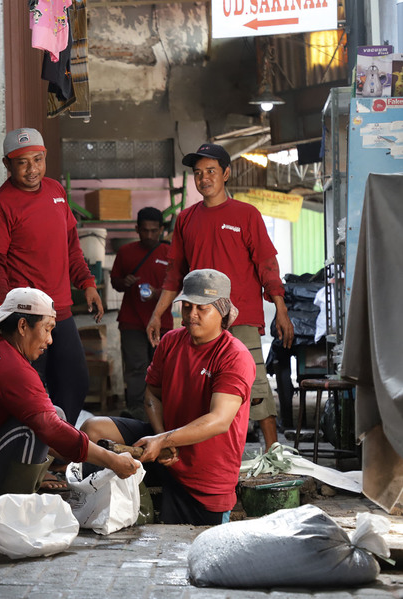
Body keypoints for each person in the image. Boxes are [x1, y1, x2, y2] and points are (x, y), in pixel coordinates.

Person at [145, 143, 294, 448]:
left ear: (226, 173)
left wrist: (281, 309)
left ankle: (274, 454)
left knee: (256, 388)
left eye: (211, 171)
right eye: (198, 173)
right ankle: (206, 452)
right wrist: (157, 314)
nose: (204, 178)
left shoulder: (247, 215)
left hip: (241, 318)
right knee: (203, 386)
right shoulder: (186, 219)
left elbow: (267, 265)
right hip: (200, 320)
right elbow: (174, 274)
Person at [83, 269, 255, 525]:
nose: (191, 314)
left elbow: (219, 420)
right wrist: (161, 437)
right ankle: (92, 509)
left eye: (201, 308)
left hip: (205, 476)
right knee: (92, 429)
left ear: (222, 311)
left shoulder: (234, 355)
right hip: (165, 451)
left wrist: (162, 440)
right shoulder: (171, 341)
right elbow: (152, 394)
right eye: (186, 306)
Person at [0, 287, 140, 511]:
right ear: (22, 326)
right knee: (36, 429)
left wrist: (87, 458)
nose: (49, 340)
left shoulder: (2, 349)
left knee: (54, 414)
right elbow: (50, 429)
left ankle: (31, 483)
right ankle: (16, 510)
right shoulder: (12, 369)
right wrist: (112, 461)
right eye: (47, 329)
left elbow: (55, 429)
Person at [0, 127, 103, 425]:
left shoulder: (56, 191)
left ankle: (61, 453)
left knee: (74, 382)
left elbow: (71, 245)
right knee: (29, 389)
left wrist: (87, 283)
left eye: (37, 159)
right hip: (26, 316)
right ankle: (30, 455)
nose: (32, 169)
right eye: (22, 162)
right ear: (7, 164)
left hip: (60, 311)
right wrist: (6, 311)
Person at [110, 207, 172, 420]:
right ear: (137, 229)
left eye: (154, 231)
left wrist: (158, 294)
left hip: (163, 324)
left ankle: (162, 409)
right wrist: (123, 282)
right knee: (136, 368)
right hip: (131, 322)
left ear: (162, 230)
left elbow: (179, 288)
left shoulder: (170, 254)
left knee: (162, 368)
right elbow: (115, 282)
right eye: (144, 230)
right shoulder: (126, 252)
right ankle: (136, 410)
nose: (149, 235)